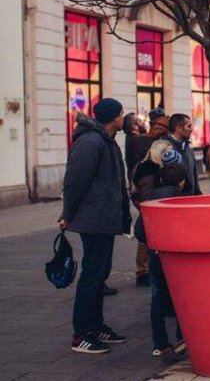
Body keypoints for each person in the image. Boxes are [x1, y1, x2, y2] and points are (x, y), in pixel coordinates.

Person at [59, 98, 131, 355]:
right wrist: (67, 214)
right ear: (113, 118)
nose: (124, 118)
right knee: (92, 274)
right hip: (94, 218)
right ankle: (81, 333)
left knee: (100, 273)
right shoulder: (91, 142)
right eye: (122, 114)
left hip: (104, 218)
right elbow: (74, 181)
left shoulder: (106, 141)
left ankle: (96, 325)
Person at [143, 161, 189, 363]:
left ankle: (159, 343)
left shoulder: (151, 198)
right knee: (181, 296)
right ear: (181, 182)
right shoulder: (181, 200)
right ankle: (183, 336)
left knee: (157, 298)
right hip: (175, 256)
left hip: (155, 254)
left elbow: (139, 229)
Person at [123, 112, 154, 287]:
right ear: (134, 126)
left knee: (145, 227)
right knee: (146, 229)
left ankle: (143, 268)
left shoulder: (131, 140)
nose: (144, 122)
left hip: (137, 188)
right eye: (140, 121)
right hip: (142, 189)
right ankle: (143, 270)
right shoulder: (139, 141)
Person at [155, 113, 201, 195]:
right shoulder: (164, 149)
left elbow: (194, 176)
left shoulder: (189, 149)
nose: (192, 129)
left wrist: (198, 194)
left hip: (191, 200)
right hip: (175, 201)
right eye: (189, 126)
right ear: (179, 129)